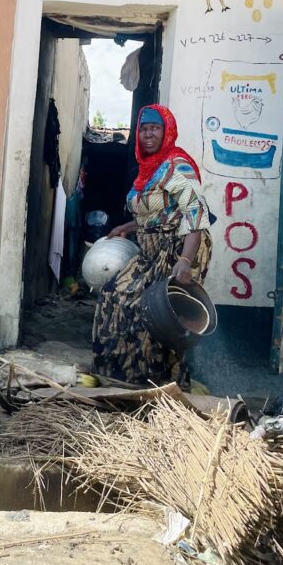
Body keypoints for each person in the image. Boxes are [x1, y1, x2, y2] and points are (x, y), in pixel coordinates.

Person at [92, 104, 213, 385]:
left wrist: (185, 261)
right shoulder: (148, 169)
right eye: (144, 129)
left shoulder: (176, 164)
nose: (148, 134)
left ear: (166, 131)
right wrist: (128, 226)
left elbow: (195, 213)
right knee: (113, 296)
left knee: (156, 314)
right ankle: (120, 375)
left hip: (180, 247)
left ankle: (159, 382)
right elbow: (156, 212)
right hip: (150, 250)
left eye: (155, 128)